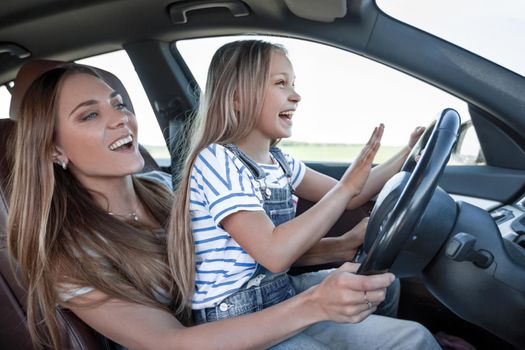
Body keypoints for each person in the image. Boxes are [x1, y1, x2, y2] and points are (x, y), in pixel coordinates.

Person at [6, 62, 437, 350]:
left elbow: (226, 261)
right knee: (412, 342)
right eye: (89, 115)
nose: (121, 118)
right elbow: (169, 344)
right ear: (54, 150)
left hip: (239, 312)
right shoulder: (67, 255)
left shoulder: (159, 189)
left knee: (389, 294)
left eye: (117, 104)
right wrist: (314, 304)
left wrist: (339, 246)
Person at [170, 40, 439, 348]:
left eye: (293, 84)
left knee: (412, 333)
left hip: (279, 293)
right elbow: (274, 254)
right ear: (237, 98)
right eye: (281, 83)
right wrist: (346, 187)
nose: (296, 96)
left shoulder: (280, 162)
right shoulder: (216, 160)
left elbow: (352, 197)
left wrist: (408, 152)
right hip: (235, 318)